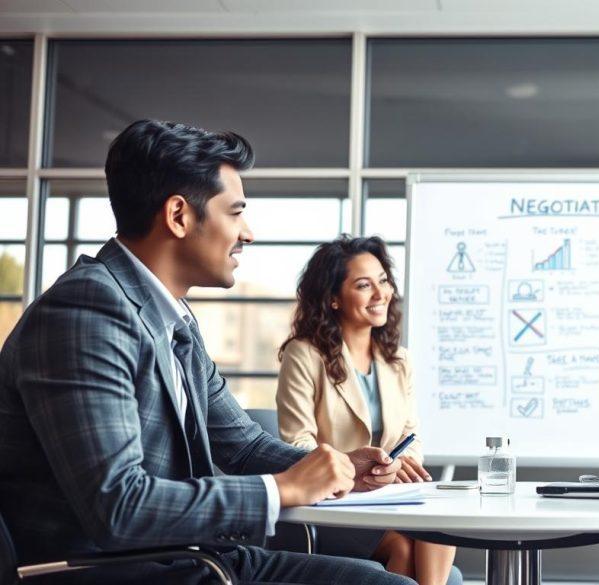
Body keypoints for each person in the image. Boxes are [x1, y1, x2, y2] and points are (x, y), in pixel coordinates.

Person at [0, 119, 412, 585]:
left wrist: (337, 467)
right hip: (117, 570)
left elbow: (242, 444)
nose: (248, 233)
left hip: (193, 557)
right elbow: (118, 505)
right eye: (235, 213)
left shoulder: (172, 317)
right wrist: (282, 488)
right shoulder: (85, 312)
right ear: (179, 216)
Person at [277, 236, 457, 585]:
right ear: (332, 299)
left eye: (383, 281)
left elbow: (409, 434)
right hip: (335, 503)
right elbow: (296, 444)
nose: (380, 294)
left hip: (390, 496)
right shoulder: (304, 354)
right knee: (403, 550)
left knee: (439, 527)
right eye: (364, 285)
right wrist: (353, 467)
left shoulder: (398, 359)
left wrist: (400, 464)